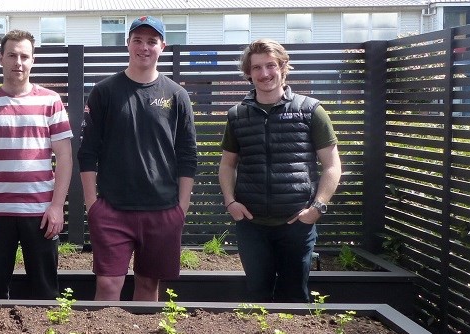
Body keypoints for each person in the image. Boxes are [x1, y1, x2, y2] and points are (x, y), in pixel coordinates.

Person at [78, 16, 197, 302]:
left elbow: (187, 154)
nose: (144, 47)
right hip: (112, 210)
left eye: (152, 42)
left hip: (162, 210)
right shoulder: (105, 92)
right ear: (127, 43)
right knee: (108, 285)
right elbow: (87, 152)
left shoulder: (176, 95)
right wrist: (93, 205)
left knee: (148, 286)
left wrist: (181, 206)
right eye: (138, 40)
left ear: (163, 46)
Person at [218, 39, 342, 303]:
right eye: (257, 68)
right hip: (252, 226)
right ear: (248, 74)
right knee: (257, 297)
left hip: (296, 224)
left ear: (283, 67)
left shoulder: (311, 111)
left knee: (295, 298)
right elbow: (227, 165)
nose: (264, 74)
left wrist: (317, 208)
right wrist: (231, 202)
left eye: (270, 65)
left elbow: (332, 165)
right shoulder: (237, 116)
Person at [0, 29, 73, 300]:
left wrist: (57, 206)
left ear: (33, 60)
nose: (18, 62)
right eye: (12, 55)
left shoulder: (50, 101)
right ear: (1, 58)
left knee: (46, 292)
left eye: (24, 56)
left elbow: (65, 157)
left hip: (41, 212)